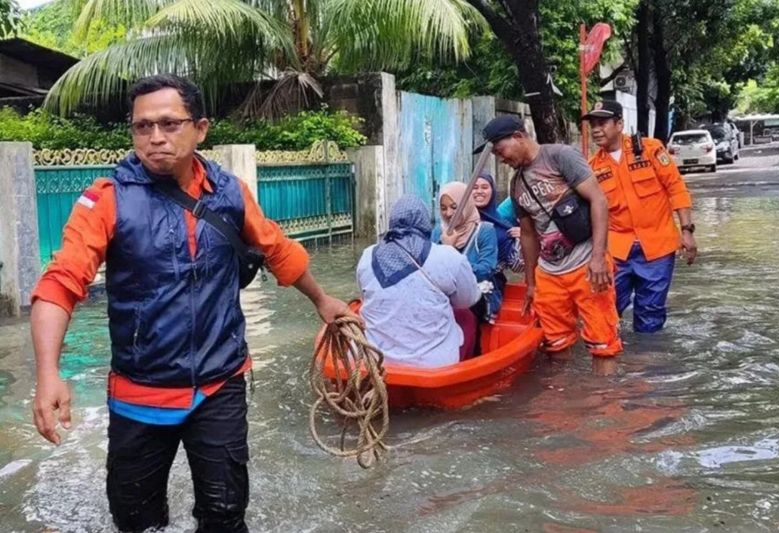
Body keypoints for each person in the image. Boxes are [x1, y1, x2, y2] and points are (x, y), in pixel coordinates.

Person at [29, 74, 353, 533]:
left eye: (169, 124)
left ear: (200, 129)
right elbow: (60, 284)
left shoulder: (230, 193)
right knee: (137, 521)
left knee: (225, 516)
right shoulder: (106, 201)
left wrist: (322, 300)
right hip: (140, 394)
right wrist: (48, 373)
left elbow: (277, 249)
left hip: (220, 385)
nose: (155, 137)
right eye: (142, 126)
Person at [475, 115, 622, 363]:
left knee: (603, 344)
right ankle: (561, 388)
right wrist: (531, 283)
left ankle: (604, 388)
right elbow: (528, 234)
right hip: (549, 272)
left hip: (586, 262)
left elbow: (599, 200)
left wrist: (598, 258)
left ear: (518, 137)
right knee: (555, 344)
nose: (501, 159)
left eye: (500, 151)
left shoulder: (560, 157)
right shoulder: (516, 184)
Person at [583, 100, 697, 333]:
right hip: (616, 251)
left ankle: (647, 355)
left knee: (650, 315)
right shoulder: (591, 168)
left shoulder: (650, 150)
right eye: (592, 124)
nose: (596, 129)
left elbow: (676, 188)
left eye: (602, 123)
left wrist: (687, 231)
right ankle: (611, 353)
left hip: (657, 248)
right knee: (606, 310)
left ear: (619, 124)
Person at [356, 196, 480, 367]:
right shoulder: (448, 256)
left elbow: (365, 295)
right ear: (425, 223)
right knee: (467, 317)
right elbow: (467, 300)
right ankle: (465, 372)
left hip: (374, 360)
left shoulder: (367, 255)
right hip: (433, 364)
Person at [432, 182, 502, 355]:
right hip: (445, 288)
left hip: (479, 288)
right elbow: (429, 267)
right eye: (443, 208)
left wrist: (450, 251)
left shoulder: (484, 231)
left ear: (466, 205)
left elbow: (486, 269)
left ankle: (473, 353)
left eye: (454, 207)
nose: (448, 214)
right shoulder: (438, 232)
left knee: (465, 309)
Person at [471, 171, 523, 271]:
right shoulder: (459, 222)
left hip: (492, 279)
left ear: (493, 191)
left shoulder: (502, 225)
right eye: (474, 187)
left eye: (484, 187)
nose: (479, 191)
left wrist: (524, 238)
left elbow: (517, 267)